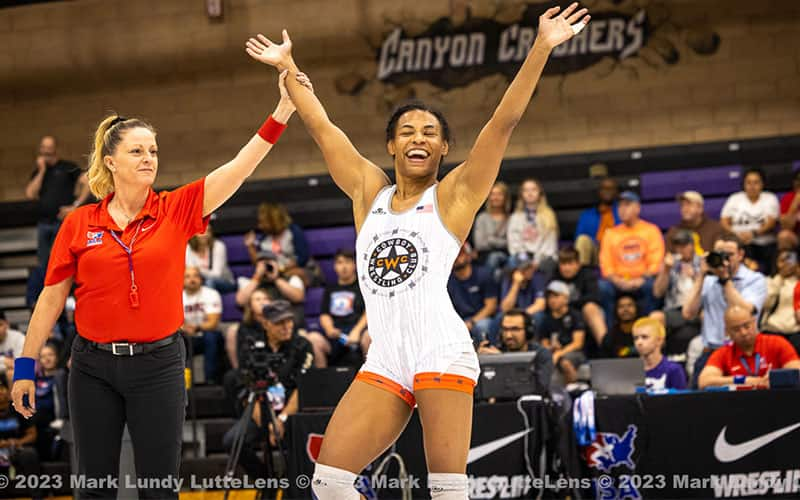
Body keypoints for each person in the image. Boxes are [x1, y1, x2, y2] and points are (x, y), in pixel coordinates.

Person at [246, 5, 591, 498]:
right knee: (328, 482)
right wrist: (287, 68)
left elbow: (503, 123)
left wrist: (541, 47)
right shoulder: (370, 193)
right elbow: (322, 126)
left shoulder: (454, 196)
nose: (418, 138)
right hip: (386, 356)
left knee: (447, 489)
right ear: (390, 144)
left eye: (430, 133)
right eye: (407, 131)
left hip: (441, 351)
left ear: (444, 148)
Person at [10, 71, 313, 498]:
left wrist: (282, 111)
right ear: (111, 162)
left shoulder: (177, 209)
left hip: (159, 365)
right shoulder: (79, 223)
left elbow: (239, 169)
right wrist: (25, 367)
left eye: (153, 150)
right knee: (94, 488)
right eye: (136, 151)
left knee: (158, 488)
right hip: (92, 368)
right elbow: (51, 297)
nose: (149, 158)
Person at [223, 300, 313, 483]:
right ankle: (266, 481)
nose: (287, 326)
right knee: (232, 441)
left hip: (292, 411)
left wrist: (280, 420)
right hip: (259, 407)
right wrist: (266, 420)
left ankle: (295, 486)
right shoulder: (251, 346)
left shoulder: (302, 345)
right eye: (280, 322)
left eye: (289, 321)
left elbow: (302, 387)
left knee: (300, 444)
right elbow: (247, 387)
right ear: (266, 323)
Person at [682, 234, 767, 385]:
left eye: (729, 255)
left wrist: (725, 280)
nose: (724, 260)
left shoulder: (755, 279)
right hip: (711, 353)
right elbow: (688, 313)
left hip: (744, 353)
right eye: (720, 254)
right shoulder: (708, 280)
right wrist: (701, 276)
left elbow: (745, 312)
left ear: (741, 255)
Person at [24, 135, 91, 268]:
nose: (46, 151)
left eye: (49, 147)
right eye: (43, 147)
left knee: (63, 261)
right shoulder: (39, 172)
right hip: (43, 224)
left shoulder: (68, 167)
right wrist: (42, 171)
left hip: (62, 222)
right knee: (43, 264)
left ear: (55, 149)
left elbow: (88, 182)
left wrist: (75, 206)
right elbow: (30, 194)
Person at [698, 305, 800, 389]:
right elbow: (704, 381)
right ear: (727, 331)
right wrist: (744, 380)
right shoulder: (723, 353)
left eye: (747, 326)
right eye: (736, 329)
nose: (743, 332)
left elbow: (797, 371)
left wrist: (775, 379)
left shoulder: (777, 343)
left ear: (754, 322)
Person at [598, 190, 664, 320]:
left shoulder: (651, 230)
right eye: (620, 206)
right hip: (619, 281)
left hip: (643, 280)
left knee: (651, 286)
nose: (622, 209)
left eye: (627, 205)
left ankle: (649, 330)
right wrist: (618, 280)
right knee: (602, 288)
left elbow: (656, 262)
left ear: (637, 208)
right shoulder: (610, 234)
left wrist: (640, 279)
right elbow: (606, 264)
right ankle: (611, 335)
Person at [307, 249, 368, 368]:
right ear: (335, 266)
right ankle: (324, 381)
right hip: (336, 337)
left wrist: (356, 331)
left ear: (355, 265)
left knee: (369, 336)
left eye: (348, 262)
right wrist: (330, 329)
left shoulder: (362, 287)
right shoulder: (330, 289)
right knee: (313, 338)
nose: (344, 267)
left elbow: (369, 313)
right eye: (340, 263)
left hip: (357, 335)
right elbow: (324, 314)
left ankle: (372, 379)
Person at [477, 309, 553, 395]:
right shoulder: (494, 353)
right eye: (505, 329)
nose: (508, 335)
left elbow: (540, 388)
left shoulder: (541, 354)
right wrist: (479, 362)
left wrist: (501, 362)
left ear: (528, 332)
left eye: (515, 329)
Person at [651, 229, 702, 355]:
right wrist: (666, 271)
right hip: (675, 310)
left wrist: (696, 277)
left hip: (699, 309)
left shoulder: (703, 263)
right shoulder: (670, 264)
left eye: (684, 246)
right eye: (678, 246)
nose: (681, 250)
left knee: (708, 315)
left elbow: (711, 290)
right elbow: (658, 292)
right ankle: (657, 358)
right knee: (655, 317)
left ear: (692, 245)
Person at [721, 168, 779, 274]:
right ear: (744, 184)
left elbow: (771, 222)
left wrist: (753, 234)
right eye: (748, 182)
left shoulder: (770, 198)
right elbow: (724, 221)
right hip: (739, 240)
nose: (752, 186)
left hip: (764, 242)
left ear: (762, 184)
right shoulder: (734, 199)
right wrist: (736, 234)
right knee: (733, 247)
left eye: (756, 182)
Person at [547, 246, 606, 348]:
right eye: (563, 264)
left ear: (578, 264)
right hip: (560, 311)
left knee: (590, 307)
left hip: (581, 310)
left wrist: (568, 302)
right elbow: (549, 299)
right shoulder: (554, 276)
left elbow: (593, 297)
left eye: (570, 264)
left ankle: (605, 346)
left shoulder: (587, 274)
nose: (566, 268)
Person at [236, 249, 306, 328]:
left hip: (287, 325)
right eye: (262, 263)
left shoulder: (292, 279)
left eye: (269, 262)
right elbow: (240, 301)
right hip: (257, 327)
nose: (266, 266)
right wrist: (257, 277)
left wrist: (276, 278)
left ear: (277, 264)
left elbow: (298, 297)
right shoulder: (250, 282)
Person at [447, 243, 498, 344]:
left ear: (469, 255)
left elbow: (491, 306)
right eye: (453, 254)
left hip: (482, 317)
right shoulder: (447, 280)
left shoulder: (483, 274)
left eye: (460, 254)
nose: (456, 257)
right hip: (460, 319)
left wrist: (472, 322)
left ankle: (487, 355)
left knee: (482, 326)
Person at [537, 281, 586, 385]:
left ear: (566, 298)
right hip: (554, 352)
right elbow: (544, 341)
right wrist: (551, 348)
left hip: (574, 352)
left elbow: (578, 343)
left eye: (556, 296)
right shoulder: (546, 319)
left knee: (566, 363)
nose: (552, 300)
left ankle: (572, 390)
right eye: (549, 297)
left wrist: (559, 353)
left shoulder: (575, 316)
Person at [182, 266, 225, 384]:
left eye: (195, 276)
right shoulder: (176, 296)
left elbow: (212, 323)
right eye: (188, 276)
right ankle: (182, 384)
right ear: (181, 280)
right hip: (186, 336)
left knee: (210, 337)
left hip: (207, 336)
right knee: (177, 341)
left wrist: (195, 327)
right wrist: (184, 328)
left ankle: (210, 380)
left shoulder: (211, 294)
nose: (192, 279)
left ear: (201, 279)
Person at [507, 178, 559, 275]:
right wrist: (525, 260)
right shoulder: (515, 217)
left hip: (543, 256)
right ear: (521, 194)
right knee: (512, 262)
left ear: (540, 193)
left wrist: (536, 261)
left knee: (547, 264)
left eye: (533, 189)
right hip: (522, 256)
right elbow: (513, 242)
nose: (530, 193)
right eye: (526, 190)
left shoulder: (548, 215)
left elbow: (549, 244)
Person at [244, 202, 310, 269]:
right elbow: (258, 264)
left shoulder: (293, 232)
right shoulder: (265, 238)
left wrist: (281, 270)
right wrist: (250, 247)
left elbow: (302, 259)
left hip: (295, 271)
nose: (259, 226)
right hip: (273, 275)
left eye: (262, 222)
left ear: (272, 221)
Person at [760, 250, 800, 354]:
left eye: (790, 259)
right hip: (772, 329)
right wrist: (779, 278)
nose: (787, 263)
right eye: (782, 260)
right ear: (776, 263)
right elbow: (765, 304)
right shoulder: (769, 281)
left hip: (796, 332)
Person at [32, 342, 67, 462]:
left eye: (50, 355)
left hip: (56, 420)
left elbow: (63, 399)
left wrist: (62, 418)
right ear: (39, 360)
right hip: (37, 423)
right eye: (43, 356)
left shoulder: (62, 376)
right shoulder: (35, 379)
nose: (47, 359)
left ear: (56, 357)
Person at [574, 176, 619, 266]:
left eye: (611, 189)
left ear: (616, 192)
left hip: (616, 253)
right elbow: (578, 237)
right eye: (604, 188)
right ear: (599, 192)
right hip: (595, 252)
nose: (607, 191)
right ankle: (582, 275)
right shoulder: (587, 214)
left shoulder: (622, 212)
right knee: (582, 240)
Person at [632, 318, 687, 391]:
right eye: (636, 338)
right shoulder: (631, 371)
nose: (639, 342)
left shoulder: (674, 370)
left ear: (659, 340)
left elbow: (681, 400)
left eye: (644, 337)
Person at [664, 191, 723, 255]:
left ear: (700, 208)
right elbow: (667, 255)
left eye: (689, 204)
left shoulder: (715, 228)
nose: (685, 208)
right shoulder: (674, 232)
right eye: (682, 205)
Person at [224, 288, 271, 370]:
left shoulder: (277, 323)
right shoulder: (245, 326)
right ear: (250, 305)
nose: (262, 302)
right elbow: (243, 354)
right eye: (257, 299)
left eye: (266, 299)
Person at [185, 223, 237, 294]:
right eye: (201, 232)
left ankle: (208, 304)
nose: (205, 234)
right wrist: (197, 272)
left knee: (210, 282)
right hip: (200, 281)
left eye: (208, 231)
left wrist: (198, 270)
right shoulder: (188, 248)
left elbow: (217, 274)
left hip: (225, 282)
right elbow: (191, 271)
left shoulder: (218, 246)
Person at [472, 181, 511, 271]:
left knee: (496, 257)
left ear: (505, 198)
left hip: (505, 256)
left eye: (499, 194)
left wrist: (490, 240)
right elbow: (479, 244)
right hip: (484, 257)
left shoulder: (510, 219)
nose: (496, 197)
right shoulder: (482, 218)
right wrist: (501, 242)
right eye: (492, 194)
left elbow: (511, 243)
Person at [499, 252, 547, 316]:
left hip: (529, 314)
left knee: (539, 315)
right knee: (500, 317)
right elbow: (505, 308)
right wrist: (516, 284)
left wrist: (523, 316)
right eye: (525, 268)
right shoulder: (508, 280)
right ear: (515, 271)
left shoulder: (537, 276)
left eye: (530, 266)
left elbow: (541, 304)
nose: (530, 270)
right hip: (513, 315)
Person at [778, 169, 800, 251]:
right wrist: (795, 203)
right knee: (784, 236)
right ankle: (789, 263)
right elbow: (786, 226)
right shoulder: (788, 198)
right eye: (798, 180)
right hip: (796, 237)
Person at [0, 311, 25, 375]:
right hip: (6, 368)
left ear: (7, 324)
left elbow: (20, 365)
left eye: (0, 325)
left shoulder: (19, 338)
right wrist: (4, 360)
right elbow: (12, 363)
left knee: (12, 373)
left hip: (11, 373)